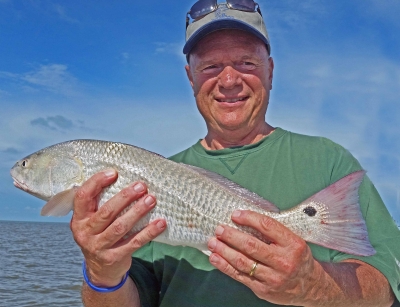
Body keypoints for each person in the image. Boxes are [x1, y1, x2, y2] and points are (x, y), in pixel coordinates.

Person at [70, 1, 400, 306]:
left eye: (246, 63)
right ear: (190, 77)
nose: (229, 80)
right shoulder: (150, 182)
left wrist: (315, 285)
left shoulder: (328, 161)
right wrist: (102, 272)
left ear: (270, 71)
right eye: (212, 66)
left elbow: (386, 285)